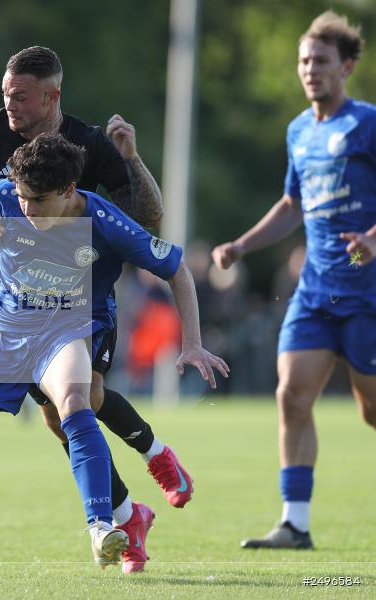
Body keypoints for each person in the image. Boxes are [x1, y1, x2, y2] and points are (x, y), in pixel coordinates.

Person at [0, 45, 194, 570]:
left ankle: (146, 468)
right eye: (5, 94)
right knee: (57, 420)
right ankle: (126, 512)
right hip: (16, 307)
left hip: (82, 301)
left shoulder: (90, 144)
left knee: (82, 400)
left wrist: (131, 160)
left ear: (52, 96)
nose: (10, 106)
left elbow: (147, 219)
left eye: (21, 98)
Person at [212, 11, 376, 549]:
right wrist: (242, 244)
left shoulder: (368, 123)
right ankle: (295, 523)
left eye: (322, 61)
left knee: (371, 410)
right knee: (291, 396)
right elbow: (292, 204)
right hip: (315, 293)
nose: (310, 69)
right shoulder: (298, 130)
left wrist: (372, 237)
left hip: (367, 292)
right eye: (304, 61)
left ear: (347, 65)